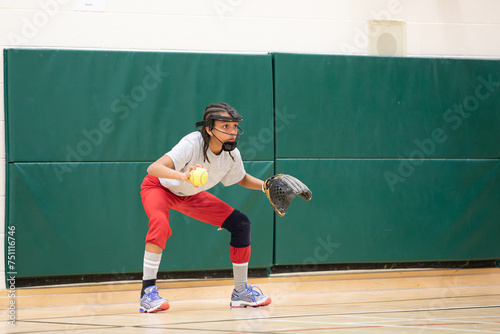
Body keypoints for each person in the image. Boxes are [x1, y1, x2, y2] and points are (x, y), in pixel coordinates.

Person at [139, 102, 272, 313]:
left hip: (189, 195)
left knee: (241, 223)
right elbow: (153, 168)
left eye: (235, 127)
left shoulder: (231, 154)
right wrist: (181, 175)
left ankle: (240, 293)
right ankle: (147, 294)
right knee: (160, 224)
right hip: (159, 187)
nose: (232, 132)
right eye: (225, 126)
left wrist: (265, 186)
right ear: (209, 128)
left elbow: (241, 178)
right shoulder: (192, 143)